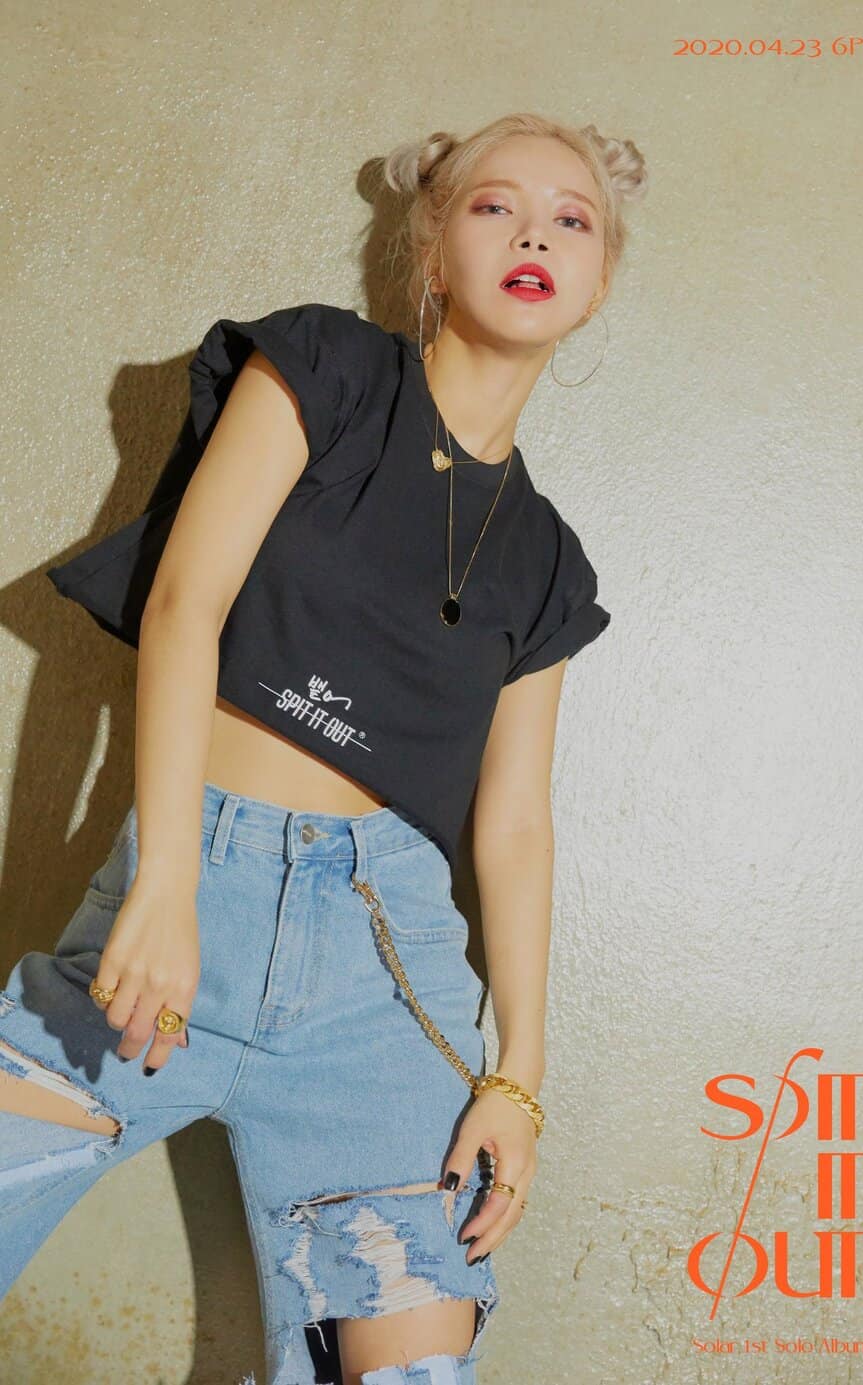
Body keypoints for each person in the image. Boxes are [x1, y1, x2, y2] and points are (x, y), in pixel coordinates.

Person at [0, 112, 646, 1384]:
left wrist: (518, 1074)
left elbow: (515, 824)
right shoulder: (330, 370)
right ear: (431, 249)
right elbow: (183, 604)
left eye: (570, 220)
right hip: (189, 901)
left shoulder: (550, 563)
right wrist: (168, 878)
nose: (533, 234)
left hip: (385, 977)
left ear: (599, 278)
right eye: (494, 206)